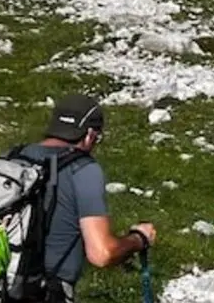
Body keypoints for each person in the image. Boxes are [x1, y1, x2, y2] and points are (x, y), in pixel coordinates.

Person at [20, 93, 157, 302]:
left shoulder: (13, 157)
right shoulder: (84, 169)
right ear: (90, 134)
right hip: (45, 292)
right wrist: (139, 239)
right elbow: (102, 254)